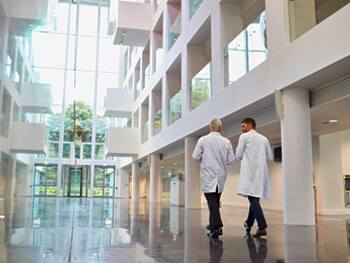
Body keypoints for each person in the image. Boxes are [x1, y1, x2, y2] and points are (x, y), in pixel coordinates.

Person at [192, 118, 235, 238]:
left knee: (211, 202)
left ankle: (217, 226)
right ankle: (212, 226)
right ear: (220, 128)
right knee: (215, 201)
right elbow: (231, 160)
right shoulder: (226, 142)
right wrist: (220, 162)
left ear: (210, 128)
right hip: (220, 176)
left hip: (208, 175)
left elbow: (195, 156)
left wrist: (204, 163)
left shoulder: (203, 140)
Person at [236, 117, 273, 237]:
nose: (242, 129)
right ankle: (248, 223)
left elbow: (238, 154)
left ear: (249, 125)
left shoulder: (244, 137)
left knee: (252, 198)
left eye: (243, 126)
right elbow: (269, 157)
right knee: (254, 198)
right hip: (260, 173)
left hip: (249, 171)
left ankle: (262, 227)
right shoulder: (264, 139)